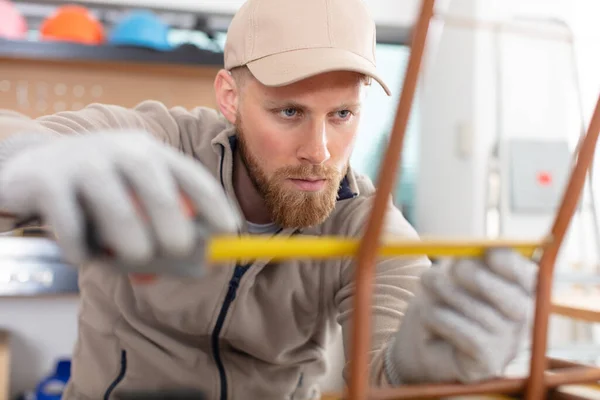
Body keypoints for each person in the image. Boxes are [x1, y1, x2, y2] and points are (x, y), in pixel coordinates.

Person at [0, 0, 538, 399]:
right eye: (290, 112)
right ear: (230, 99)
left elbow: (384, 367)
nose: (319, 151)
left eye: (342, 114)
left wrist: (412, 369)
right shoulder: (158, 141)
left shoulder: (363, 222)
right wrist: (25, 159)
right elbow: (15, 139)